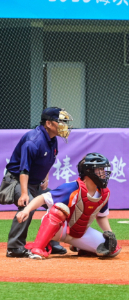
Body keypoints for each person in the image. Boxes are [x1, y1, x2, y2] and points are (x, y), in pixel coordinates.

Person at [16, 153, 121, 260]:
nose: (103, 173)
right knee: (60, 209)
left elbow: (101, 216)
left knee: (112, 248)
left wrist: (110, 234)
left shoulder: (104, 193)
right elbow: (42, 198)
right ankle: (38, 249)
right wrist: (26, 210)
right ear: (88, 171)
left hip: (79, 232)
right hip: (59, 229)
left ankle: (81, 247)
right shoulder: (72, 187)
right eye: (100, 169)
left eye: (103, 169)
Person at [2, 107, 72, 258]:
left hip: (34, 183)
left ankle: (51, 241)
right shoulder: (33, 141)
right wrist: (24, 193)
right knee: (29, 204)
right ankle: (14, 247)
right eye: (59, 121)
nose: (63, 125)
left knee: (58, 203)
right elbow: (24, 169)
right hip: (16, 181)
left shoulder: (52, 139)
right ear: (48, 123)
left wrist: (45, 177)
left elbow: (47, 160)